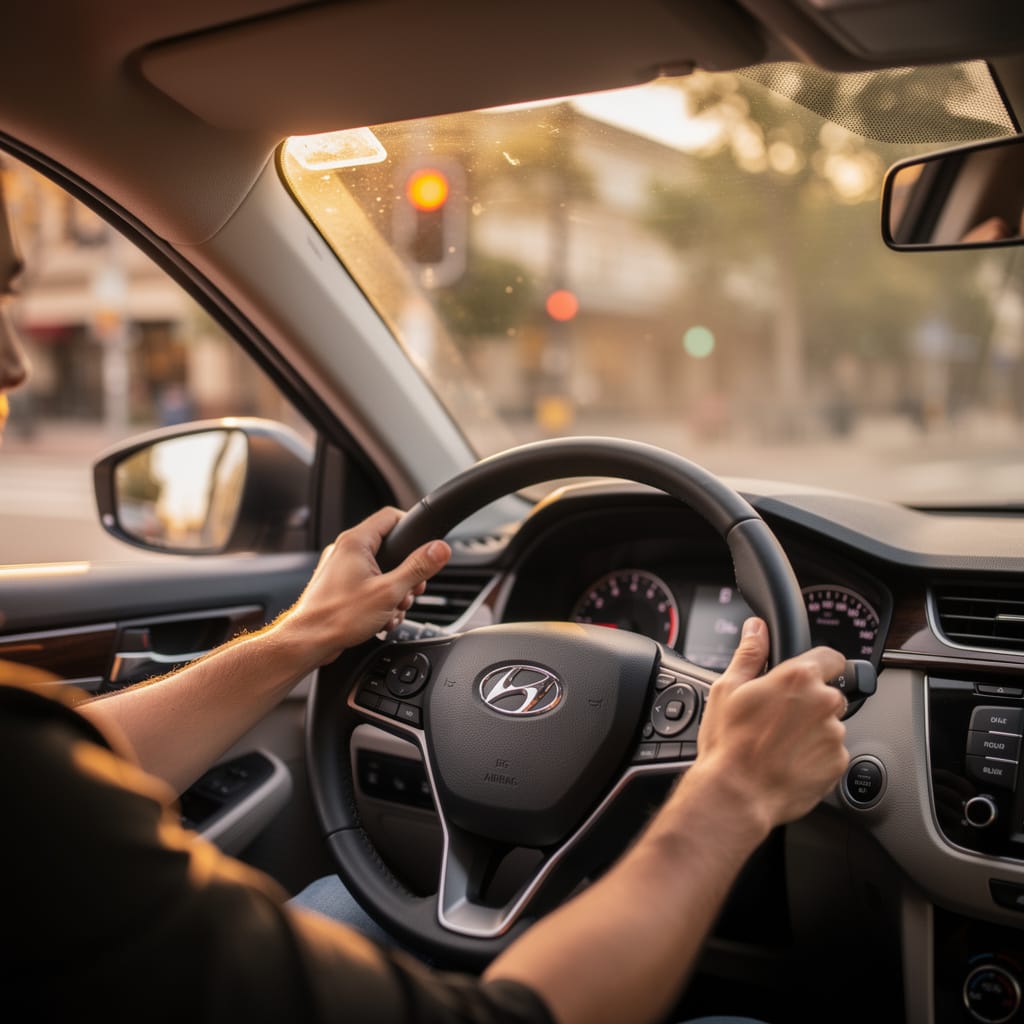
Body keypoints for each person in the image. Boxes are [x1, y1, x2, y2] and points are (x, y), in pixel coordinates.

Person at [0, 177, 849, 1023]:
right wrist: (733, 788)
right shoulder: (41, 804)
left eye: (11, 295)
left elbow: (80, 759)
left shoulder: (34, 775)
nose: (16, 361)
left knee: (341, 900)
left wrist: (303, 636)